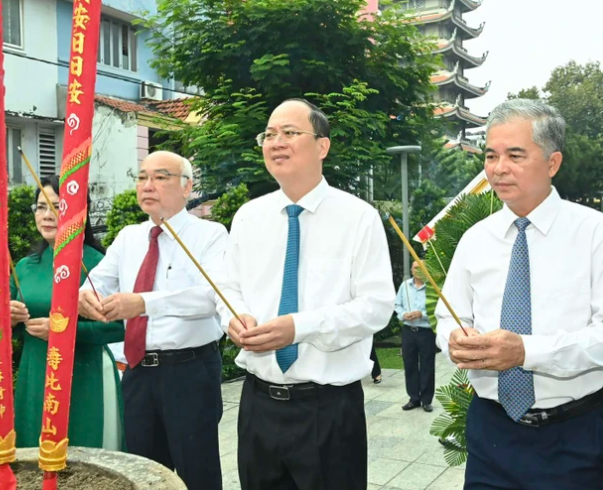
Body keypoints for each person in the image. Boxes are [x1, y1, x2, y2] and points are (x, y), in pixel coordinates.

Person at [219, 99, 395, 490]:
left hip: (328, 410)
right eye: (269, 134)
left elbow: (377, 307)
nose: (276, 142)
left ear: (322, 146)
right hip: (258, 405)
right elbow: (227, 288)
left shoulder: (358, 217)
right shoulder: (248, 217)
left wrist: (299, 328)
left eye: (290, 133)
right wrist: (234, 317)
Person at [436, 99, 603, 490]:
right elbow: (450, 317)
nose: (498, 168)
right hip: (491, 433)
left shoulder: (595, 234)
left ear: (552, 163)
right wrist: (454, 340)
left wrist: (526, 352)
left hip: (577, 435)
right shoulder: (475, 239)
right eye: (490, 155)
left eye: (514, 155)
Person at [78, 151, 228, 490]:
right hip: (138, 371)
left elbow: (210, 297)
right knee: (142, 471)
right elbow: (95, 283)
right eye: (142, 177)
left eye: (160, 177)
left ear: (188, 187)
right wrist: (83, 296)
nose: (148, 185)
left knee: (198, 471)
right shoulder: (130, 236)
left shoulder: (211, 235)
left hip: (189, 371)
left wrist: (142, 303)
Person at [9, 175, 124, 449]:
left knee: (85, 456)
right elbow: (12, 327)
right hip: (35, 371)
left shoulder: (97, 264)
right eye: (41, 207)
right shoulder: (25, 266)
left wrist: (62, 331)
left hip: (84, 374)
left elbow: (118, 326)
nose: (47, 215)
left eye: (58, 207)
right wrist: (10, 319)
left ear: (78, 213)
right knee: (35, 454)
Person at [395, 261, 435, 412]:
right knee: (409, 365)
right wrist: (402, 315)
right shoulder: (404, 285)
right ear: (411, 270)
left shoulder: (432, 287)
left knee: (427, 366)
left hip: (426, 332)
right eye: (416, 267)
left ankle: (426, 400)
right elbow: (397, 305)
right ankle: (414, 398)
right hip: (408, 331)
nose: (419, 270)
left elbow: (438, 309)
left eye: (422, 267)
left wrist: (422, 314)